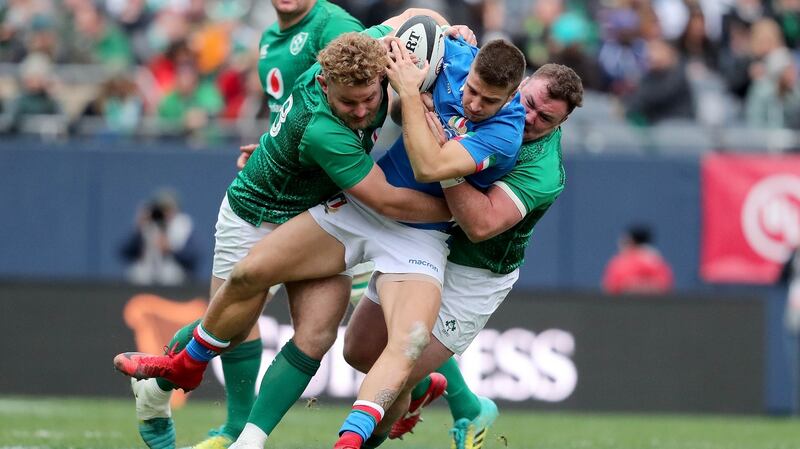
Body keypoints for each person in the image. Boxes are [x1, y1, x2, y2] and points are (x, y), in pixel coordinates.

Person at [114, 25, 526, 449]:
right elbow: (388, 199)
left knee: (372, 342)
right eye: (472, 91)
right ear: (325, 83)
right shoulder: (322, 127)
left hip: (404, 228)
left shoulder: (499, 125)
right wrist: (462, 209)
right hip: (291, 207)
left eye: (371, 98)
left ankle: (271, 439)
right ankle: (185, 373)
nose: (365, 111)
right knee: (246, 287)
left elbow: (429, 164)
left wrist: (445, 35)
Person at [127, 2, 367, 449]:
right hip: (262, 202)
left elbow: (363, 64)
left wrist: (437, 22)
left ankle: (242, 437)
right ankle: (165, 394)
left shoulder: (333, 25)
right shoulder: (268, 40)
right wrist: (273, 145)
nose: (363, 106)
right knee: (232, 321)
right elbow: (297, 116)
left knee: (317, 331)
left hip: (319, 207)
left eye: (369, 98)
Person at [342, 62, 583, 449]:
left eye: (545, 117)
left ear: (560, 124)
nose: (531, 117)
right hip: (429, 241)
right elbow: (432, 59)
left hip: (475, 272)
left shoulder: (543, 171)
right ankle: (458, 401)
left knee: (392, 380)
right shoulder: (489, 95)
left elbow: (481, 225)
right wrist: (445, 31)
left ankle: (442, 402)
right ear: (519, 85)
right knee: (358, 352)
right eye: (530, 102)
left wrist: (444, 162)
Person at [120, 189, 200, 285]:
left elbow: (193, 257)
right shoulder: (148, 225)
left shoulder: (183, 225)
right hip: (147, 276)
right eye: (161, 209)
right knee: (136, 274)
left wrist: (170, 249)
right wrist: (138, 230)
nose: (164, 213)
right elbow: (126, 252)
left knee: (171, 275)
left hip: (175, 279)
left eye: (168, 209)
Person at [602, 225, 674, 295]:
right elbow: (610, 286)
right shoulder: (620, 260)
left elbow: (664, 286)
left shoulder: (653, 261)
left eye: (625, 240)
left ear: (631, 241)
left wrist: (638, 286)